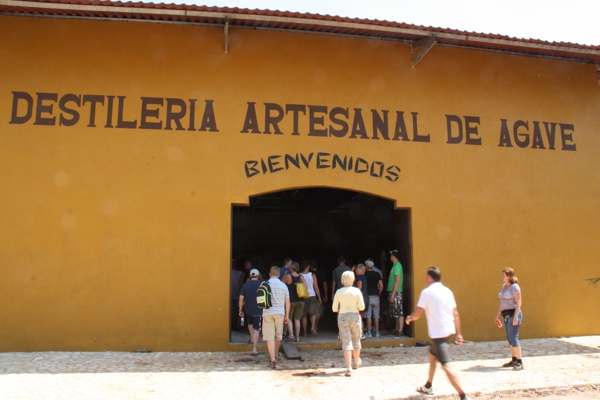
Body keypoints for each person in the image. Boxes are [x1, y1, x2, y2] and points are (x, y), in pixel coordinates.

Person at [405, 267, 470, 400]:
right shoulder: (448, 291)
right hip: (448, 331)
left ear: (430, 277)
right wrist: (458, 333)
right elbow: (456, 314)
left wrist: (409, 318)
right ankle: (428, 385)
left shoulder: (427, 292)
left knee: (446, 365)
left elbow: (417, 314)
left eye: (426, 276)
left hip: (439, 334)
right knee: (432, 355)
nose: (425, 278)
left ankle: (463, 395)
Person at [332, 271, 365, 377]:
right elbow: (362, 307)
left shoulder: (339, 292)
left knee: (346, 342)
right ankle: (356, 361)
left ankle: (348, 367)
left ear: (342, 280)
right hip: (355, 316)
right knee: (356, 340)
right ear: (353, 279)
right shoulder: (357, 291)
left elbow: (334, 308)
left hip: (342, 317)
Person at [495, 267, 524, 371]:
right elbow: (502, 303)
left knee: (513, 337)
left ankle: (520, 362)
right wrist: (497, 315)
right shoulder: (503, 287)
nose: (502, 277)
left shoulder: (514, 287)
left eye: (504, 275)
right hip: (505, 314)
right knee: (509, 337)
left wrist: (516, 316)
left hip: (513, 314)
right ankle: (514, 359)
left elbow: (519, 302)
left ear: (509, 276)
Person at [262, 266, 290, 369]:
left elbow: (259, 299)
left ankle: (272, 359)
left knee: (270, 337)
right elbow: (287, 302)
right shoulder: (283, 286)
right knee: (278, 336)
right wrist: (287, 316)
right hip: (279, 313)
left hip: (267, 312)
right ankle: (276, 353)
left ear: (270, 274)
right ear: (279, 275)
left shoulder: (264, 284)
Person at [239, 269, 263, 356]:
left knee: (250, 323)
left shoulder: (245, 285)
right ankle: (254, 349)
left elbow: (241, 298)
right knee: (257, 329)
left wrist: (240, 310)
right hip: (258, 309)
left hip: (248, 309)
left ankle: (252, 338)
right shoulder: (261, 285)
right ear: (258, 276)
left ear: (250, 276)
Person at [285, 262, 307, 342]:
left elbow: (282, 283)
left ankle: (291, 335)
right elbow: (306, 287)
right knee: (297, 319)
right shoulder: (301, 277)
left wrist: (284, 275)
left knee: (289, 318)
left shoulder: (288, 276)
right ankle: (297, 338)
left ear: (291, 268)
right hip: (301, 300)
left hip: (291, 300)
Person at [301, 260, 322, 337]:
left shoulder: (300, 275)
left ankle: (305, 333)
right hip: (312, 295)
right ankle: (313, 327)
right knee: (313, 313)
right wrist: (319, 297)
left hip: (303, 296)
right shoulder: (312, 275)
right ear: (309, 266)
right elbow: (316, 287)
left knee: (304, 316)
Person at [364, 259, 383, 338]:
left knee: (368, 315)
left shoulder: (364, 274)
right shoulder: (377, 274)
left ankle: (369, 332)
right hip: (376, 296)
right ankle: (377, 332)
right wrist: (379, 294)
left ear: (366, 266)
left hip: (368, 296)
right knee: (376, 315)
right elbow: (381, 285)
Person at [387, 250, 404, 337]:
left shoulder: (397, 266)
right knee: (395, 312)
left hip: (397, 291)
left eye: (391, 255)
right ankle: (397, 329)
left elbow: (397, 281)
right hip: (394, 291)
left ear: (394, 256)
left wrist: (393, 294)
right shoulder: (394, 266)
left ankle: (400, 330)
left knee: (399, 311)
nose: (390, 257)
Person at [309, 260, 328, 332]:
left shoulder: (309, 274)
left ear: (310, 267)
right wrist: (326, 295)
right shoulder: (321, 274)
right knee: (318, 311)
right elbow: (325, 285)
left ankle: (312, 326)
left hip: (311, 294)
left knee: (311, 312)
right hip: (321, 294)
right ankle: (316, 326)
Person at [354, 264, 369, 339]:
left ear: (362, 270)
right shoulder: (364, 277)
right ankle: (361, 334)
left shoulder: (359, 277)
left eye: (357, 270)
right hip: (365, 298)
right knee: (360, 317)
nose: (356, 271)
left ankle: (361, 334)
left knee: (359, 317)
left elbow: (359, 288)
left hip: (361, 298)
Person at [231, 262, 243, 330]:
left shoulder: (229, 273)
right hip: (239, 293)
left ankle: (233, 323)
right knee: (239, 310)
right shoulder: (240, 273)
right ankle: (238, 324)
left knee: (232, 310)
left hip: (231, 294)